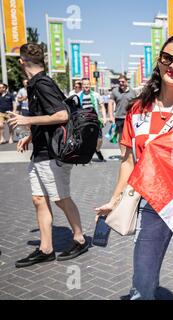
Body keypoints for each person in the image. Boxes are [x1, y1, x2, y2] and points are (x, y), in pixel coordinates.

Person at [96, 35, 173, 300]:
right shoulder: (137, 109)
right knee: (142, 284)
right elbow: (127, 163)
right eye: (168, 58)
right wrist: (114, 200)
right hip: (151, 205)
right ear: (159, 61)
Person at [7, 43, 88, 268]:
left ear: (22, 62)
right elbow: (48, 114)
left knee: (60, 198)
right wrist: (31, 136)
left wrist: (27, 121)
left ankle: (80, 239)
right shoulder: (36, 84)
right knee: (38, 199)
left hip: (53, 153)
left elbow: (62, 115)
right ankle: (46, 248)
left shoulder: (42, 83)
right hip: (40, 151)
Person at [79, 78, 107, 162]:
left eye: (87, 84)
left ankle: (97, 150)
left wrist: (104, 118)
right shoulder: (78, 95)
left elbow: (102, 106)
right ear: (82, 86)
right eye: (84, 84)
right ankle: (87, 156)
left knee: (99, 139)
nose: (86, 86)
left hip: (96, 120)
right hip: (84, 121)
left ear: (90, 85)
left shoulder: (96, 95)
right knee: (86, 139)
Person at [108, 75, 137, 156]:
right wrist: (111, 116)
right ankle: (123, 153)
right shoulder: (115, 91)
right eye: (119, 82)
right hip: (119, 117)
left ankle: (130, 151)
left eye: (123, 81)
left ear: (126, 82)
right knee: (121, 136)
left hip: (130, 117)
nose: (121, 83)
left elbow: (136, 103)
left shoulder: (132, 92)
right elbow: (110, 103)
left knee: (130, 135)